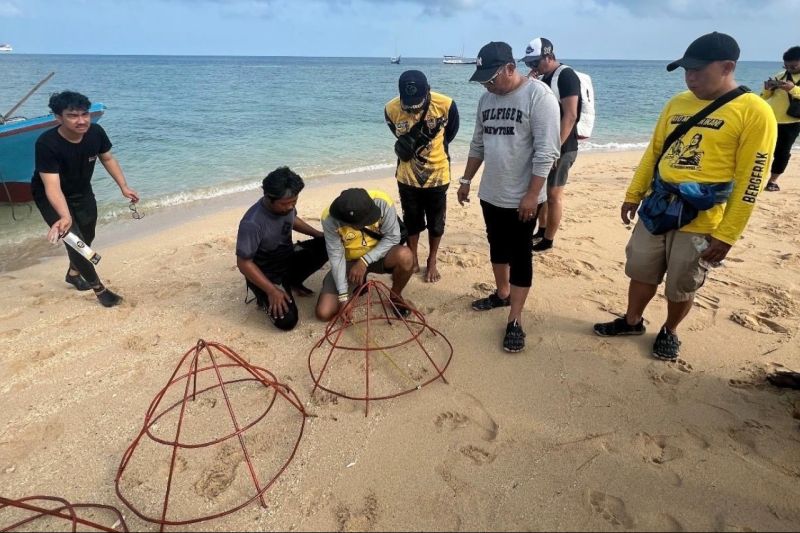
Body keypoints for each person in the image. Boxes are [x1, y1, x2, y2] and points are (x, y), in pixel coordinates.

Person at [593, 32, 777, 361]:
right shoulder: (677, 103)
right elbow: (655, 152)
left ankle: (670, 330)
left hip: (701, 217)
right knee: (640, 269)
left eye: (698, 71)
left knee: (682, 282)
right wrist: (633, 194)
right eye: (686, 71)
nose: (690, 78)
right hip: (657, 206)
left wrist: (727, 234)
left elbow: (752, 180)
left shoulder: (754, 112)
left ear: (727, 67)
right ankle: (632, 320)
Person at [457, 41, 561, 353]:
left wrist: (532, 194)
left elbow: (547, 152)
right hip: (491, 193)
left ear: (511, 69)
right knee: (496, 245)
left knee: (520, 254)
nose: (487, 84)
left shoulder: (538, 97)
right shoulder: (486, 100)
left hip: (523, 198)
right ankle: (502, 294)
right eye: (483, 79)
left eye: (492, 77)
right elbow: (478, 144)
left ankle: (515, 319)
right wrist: (466, 179)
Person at [32, 91, 139, 307]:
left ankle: (73, 273)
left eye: (85, 114)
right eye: (73, 115)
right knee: (77, 243)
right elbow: (52, 186)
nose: (81, 121)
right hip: (49, 196)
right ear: (58, 117)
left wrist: (123, 187)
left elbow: (107, 158)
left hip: (82, 191)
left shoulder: (95, 132)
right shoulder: (47, 143)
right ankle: (100, 290)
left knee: (87, 236)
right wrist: (63, 216)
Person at [385, 70, 459, 283]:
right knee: (412, 222)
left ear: (428, 90)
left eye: (417, 102)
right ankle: (413, 256)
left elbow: (450, 133)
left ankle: (432, 260)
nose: (413, 108)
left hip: (438, 175)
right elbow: (398, 137)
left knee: (437, 224)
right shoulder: (391, 109)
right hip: (407, 177)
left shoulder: (445, 104)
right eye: (409, 103)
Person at [236, 166, 327, 331]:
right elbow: (244, 263)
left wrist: (318, 234)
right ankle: (265, 296)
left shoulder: (287, 207)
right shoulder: (252, 223)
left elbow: (293, 219)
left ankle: (292, 282)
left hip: (287, 258)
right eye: (286, 204)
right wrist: (271, 291)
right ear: (269, 198)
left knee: (327, 243)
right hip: (267, 272)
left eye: (295, 201)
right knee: (288, 322)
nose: (291, 207)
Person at [315, 188, 414, 321]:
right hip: (349, 263)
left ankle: (395, 296)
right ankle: (358, 284)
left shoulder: (383, 202)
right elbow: (336, 256)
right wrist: (343, 298)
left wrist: (364, 261)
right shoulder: (329, 218)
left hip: (379, 256)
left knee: (405, 256)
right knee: (324, 313)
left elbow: (393, 237)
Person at [521, 37, 581, 252]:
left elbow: (571, 115)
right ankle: (541, 230)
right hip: (545, 146)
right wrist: (530, 80)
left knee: (554, 196)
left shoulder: (566, 75)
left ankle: (548, 240)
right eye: (528, 63)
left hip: (562, 148)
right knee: (542, 194)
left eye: (535, 62)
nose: (532, 66)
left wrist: (555, 150)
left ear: (549, 56)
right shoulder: (544, 77)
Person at [761, 45, 800, 192]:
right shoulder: (780, 75)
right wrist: (767, 88)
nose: (789, 68)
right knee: (763, 150)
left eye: (793, 66)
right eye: (786, 66)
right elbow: (765, 97)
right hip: (771, 119)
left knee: (782, 153)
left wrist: (792, 89)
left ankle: (772, 181)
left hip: (792, 122)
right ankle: (758, 177)